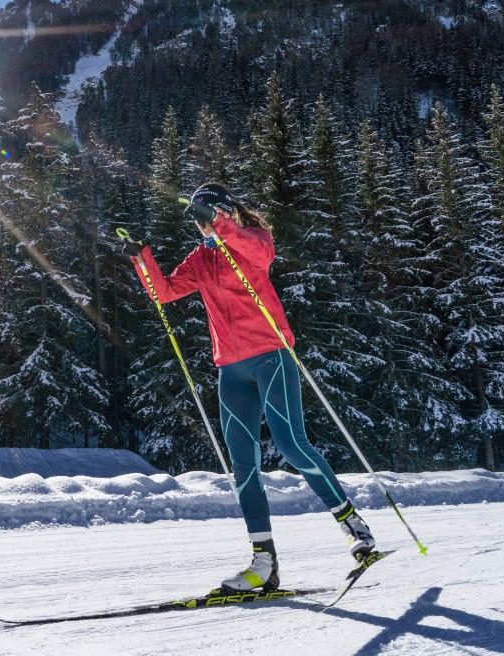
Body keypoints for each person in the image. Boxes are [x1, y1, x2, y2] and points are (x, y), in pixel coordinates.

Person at [123, 182, 374, 592]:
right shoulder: (200, 259)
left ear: (224, 213)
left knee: (292, 445)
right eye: (198, 219)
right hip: (231, 369)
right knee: (242, 464)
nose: (202, 226)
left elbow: (262, 255)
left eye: (207, 215)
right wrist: (141, 257)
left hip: (272, 354)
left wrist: (221, 227)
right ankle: (263, 563)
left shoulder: (251, 240)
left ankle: (353, 526)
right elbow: (163, 292)